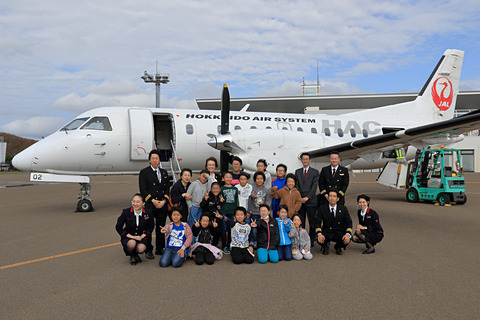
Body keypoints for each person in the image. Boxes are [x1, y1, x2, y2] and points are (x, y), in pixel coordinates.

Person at [139, 149, 170, 259]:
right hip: (150, 205)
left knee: (160, 227)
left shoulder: (164, 172)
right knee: (149, 228)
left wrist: (164, 201)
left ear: (159, 160)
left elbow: (167, 188)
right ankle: (148, 250)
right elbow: (143, 189)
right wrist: (152, 200)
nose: (155, 160)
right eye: (153, 158)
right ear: (149, 160)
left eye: (157, 158)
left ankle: (160, 248)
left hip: (162, 205)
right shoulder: (144, 172)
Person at [115, 193, 154, 265]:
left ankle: (136, 253)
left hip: (141, 237)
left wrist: (142, 236)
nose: (135, 204)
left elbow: (151, 227)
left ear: (143, 203)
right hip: (129, 236)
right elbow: (118, 227)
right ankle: (132, 255)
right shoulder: (126, 212)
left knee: (141, 249)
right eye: (133, 201)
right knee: (131, 244)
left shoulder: (148, 213)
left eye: (138, 202)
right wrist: (131, 236)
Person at [315, 190, 353, 255]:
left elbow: (349, 223)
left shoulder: (343, 208)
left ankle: (338, 246)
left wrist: (347, 234)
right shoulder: (322, 208)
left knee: (347, 239)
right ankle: (325, 246)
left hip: (339, 231)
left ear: (337, 199)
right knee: (318, 237)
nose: (332, 198)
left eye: (334, 196)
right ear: (328, 198)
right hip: (327, 231)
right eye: (330, 196)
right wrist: (319, 234)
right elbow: (317, 222)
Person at [294, 152, 319, 246]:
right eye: (303, 159)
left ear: (310, 160)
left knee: (312, 221)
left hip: (311, 200)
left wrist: (307, 197)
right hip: (300, 201)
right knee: (301, 221)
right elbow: (297, 186)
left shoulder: (315, 172)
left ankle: (311, 239)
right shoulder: (297, 172)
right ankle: (302, 239)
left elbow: (314, 186)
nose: (305, 161)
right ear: (301, 160)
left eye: (306, 159)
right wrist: (300, 197)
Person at [248, 171, 272, 246]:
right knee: (254, 229)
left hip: (263, 214)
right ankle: (254, 241)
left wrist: (265, 211)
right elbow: (249, 199)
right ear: (255, 180)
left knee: (262, 228)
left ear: (264, 180)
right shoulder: (252, 188)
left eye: (261, 178)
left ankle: (262, 242)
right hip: (254, 212)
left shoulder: (267, 190)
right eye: (257, 178)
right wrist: (253, 196)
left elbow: (268, 201)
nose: (259, 180)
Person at [220, 171, 239, 253]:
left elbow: (236, 201)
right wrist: (221, 201)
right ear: (223, 179)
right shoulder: (221, 189)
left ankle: (229, 245)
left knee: (231, 229)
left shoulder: (235, 189)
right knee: (224, 229)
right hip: (223, 211)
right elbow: (219, 201)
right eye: (226, 177)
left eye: (230, 177)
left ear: (232, 179)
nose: (228, 179)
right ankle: (224, 246)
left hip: (232, 212)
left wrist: (236, 213)